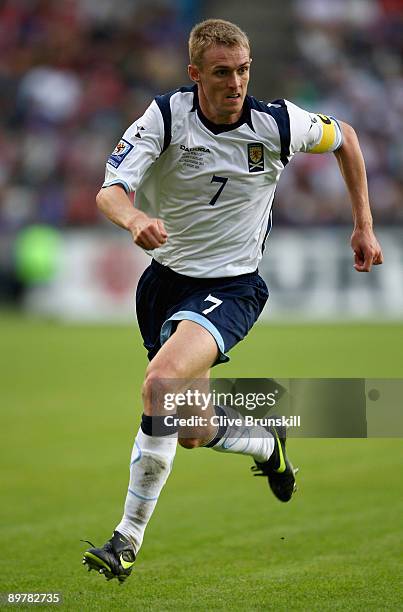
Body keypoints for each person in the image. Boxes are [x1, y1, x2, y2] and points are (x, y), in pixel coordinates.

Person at [82, 18, 383, 582]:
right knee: (190, 427)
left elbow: (347, 139)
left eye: (243, 70)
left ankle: (125, 540)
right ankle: (266, 442)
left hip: (232, 287)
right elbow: (110, 190)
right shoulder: (166, 118)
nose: (236, 82)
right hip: (164, 285)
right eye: (222, 73)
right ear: (195, 74)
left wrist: (362, 226)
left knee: (159, 384)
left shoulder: (277, 124)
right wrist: (135, 218)